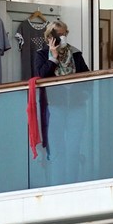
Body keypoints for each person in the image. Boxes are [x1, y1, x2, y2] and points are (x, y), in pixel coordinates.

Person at [32, 21, 90, 183]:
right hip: (54, 106)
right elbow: (41, 75)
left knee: (73, 148)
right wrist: (53, 58)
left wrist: (84, 93)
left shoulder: (75, 53)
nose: (62, 37)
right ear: (49, 36)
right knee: (57, 149)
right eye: (58, 34)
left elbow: (87, 75)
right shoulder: (42, 54)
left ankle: (72, 183)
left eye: (64, 34)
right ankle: (58, 184)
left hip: (76, 106)